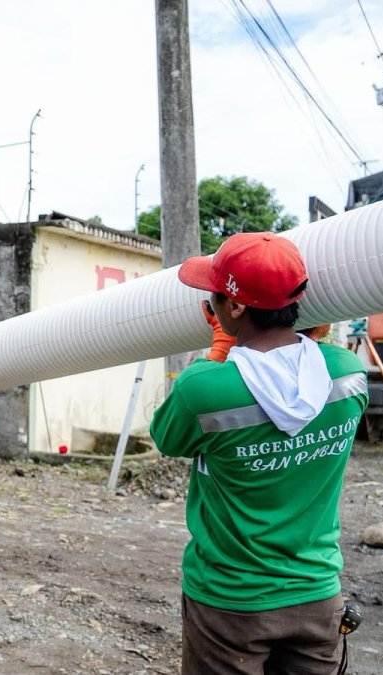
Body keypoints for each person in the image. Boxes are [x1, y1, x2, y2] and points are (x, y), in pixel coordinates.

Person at [150, 232, 368, 674]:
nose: (210, 303)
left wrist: (219, 351)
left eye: (214, 296)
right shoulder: (347, 373)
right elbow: (298, 387)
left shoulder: (204, 389)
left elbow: (168, 439)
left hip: (231, 603)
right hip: (318, 594)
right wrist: (311, 344)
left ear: (234, 307)